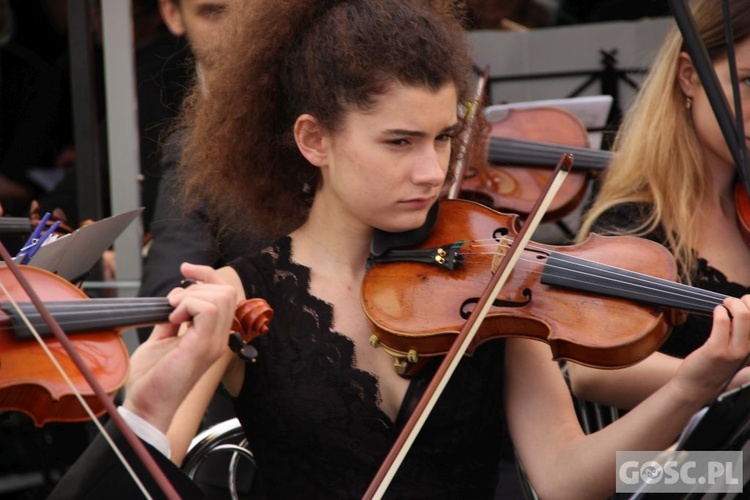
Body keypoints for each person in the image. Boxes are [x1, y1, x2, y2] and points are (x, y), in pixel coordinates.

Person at [49, 0, 750, 498]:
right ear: (314, 140)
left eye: (444, 137)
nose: (432, 170)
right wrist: (148, 398)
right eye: (398, 142)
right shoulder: (244, 296)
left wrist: (694, 382)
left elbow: (565, 477)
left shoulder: (496, 277)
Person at [567, 0, 750, 411]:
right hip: (682, 470)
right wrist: (738, 386)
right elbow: (591, 371)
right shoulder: (634, 223)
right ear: (690, 77)